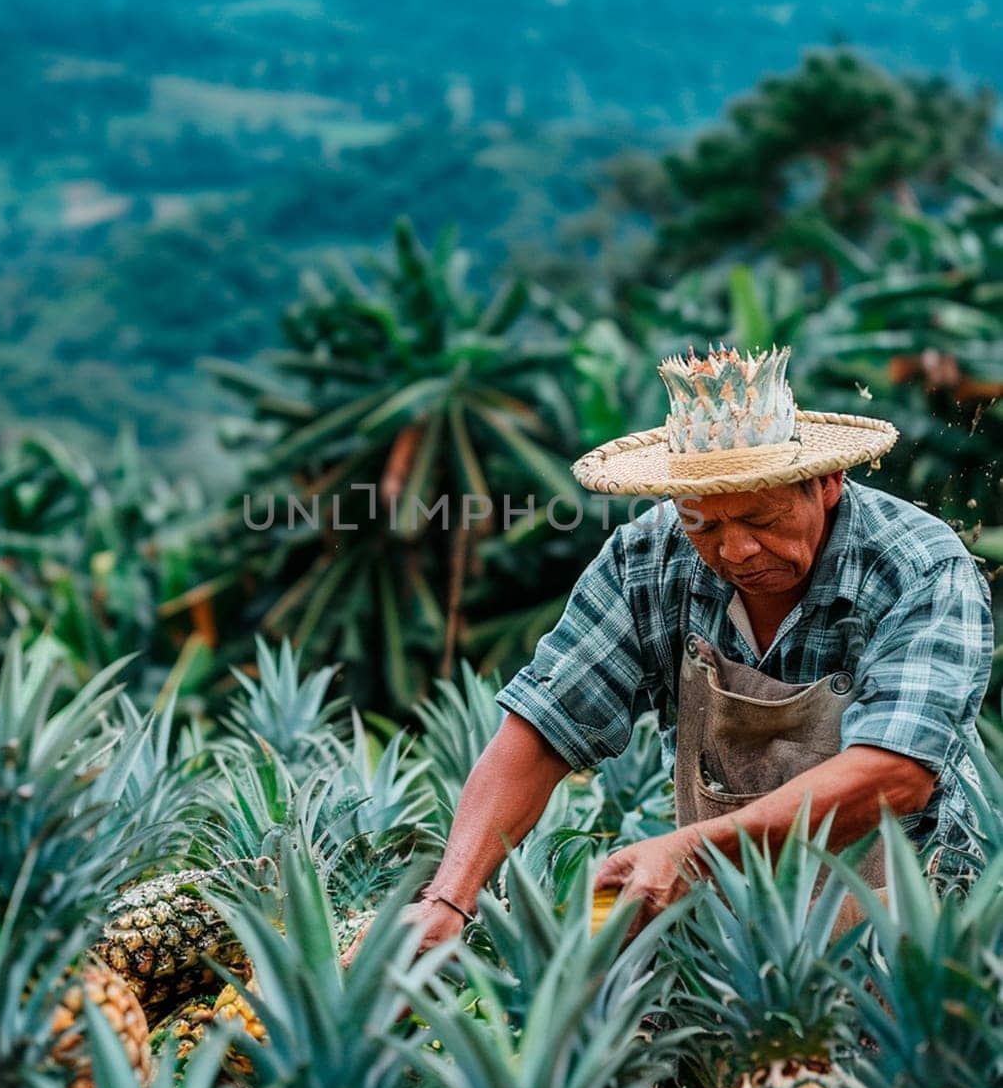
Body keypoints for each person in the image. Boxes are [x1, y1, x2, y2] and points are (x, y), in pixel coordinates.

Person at [408, 344, 994, 949]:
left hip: (911, 919)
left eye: (762, 522)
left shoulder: (918, 566)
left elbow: (897, 773)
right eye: (704, 525)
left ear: (827, 483)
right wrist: (450, 897)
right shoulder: (647, 558)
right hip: (722, 916)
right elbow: (543, 727)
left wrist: (691, 852)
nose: (735, 551)